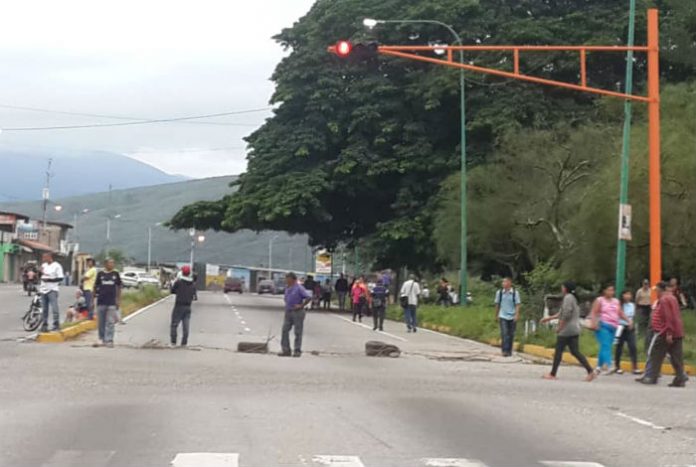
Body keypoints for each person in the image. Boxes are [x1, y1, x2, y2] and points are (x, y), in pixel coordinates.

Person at [541, 281, 595, 381]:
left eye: (562, 287)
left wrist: (560, 327)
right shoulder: (572, 298)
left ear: (566, 288)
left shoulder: (568, 298)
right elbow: (560, 313)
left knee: (558, 352)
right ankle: (590, 371)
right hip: (574, 329)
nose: (561, 288)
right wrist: (548, 319)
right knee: (575, 351)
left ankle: (553, 374)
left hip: (567, 330)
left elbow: (566, 314)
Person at [637, 282, 687, 387]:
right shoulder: (672, 298)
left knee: (655, 354)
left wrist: (669, 332)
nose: (656, 292)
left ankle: (651, 377)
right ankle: (680, 377)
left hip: (664, 332)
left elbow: (668, 316)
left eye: (657, 290)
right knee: (676, 356)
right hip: (677, 331)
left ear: (661, 289)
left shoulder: (664, 299)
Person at [590, 283, 632, 374]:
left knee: (605, 346)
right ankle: (609, 365)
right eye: (609, 290)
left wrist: (628, 320)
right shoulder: (600, 300)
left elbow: (620, 312)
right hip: (602, 326)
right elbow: (594, 312)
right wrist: (593, 323)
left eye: (612, 290)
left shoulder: (616, 301)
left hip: (613, 327)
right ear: (604, 291)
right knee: (606, 345)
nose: (611, 292)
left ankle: (598, 367)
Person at [279, 272, 312, 357]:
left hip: (297, 312)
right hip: (288, 311)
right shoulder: (287, 288)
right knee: (285, 330)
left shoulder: (299, 288)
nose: (286, 280)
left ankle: (297, 350)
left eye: (287, 278)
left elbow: (308, 297)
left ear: (292, 279)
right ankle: (286, 350)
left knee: (298, 332)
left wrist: (301, 305)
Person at [92, 258, 122, 348]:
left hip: (112, 302)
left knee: (110, 322)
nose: (112, 264)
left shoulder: (115, 274)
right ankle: (101, 338)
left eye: (113, 263)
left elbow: (119, 287)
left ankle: (109, 340)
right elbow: (95, 286)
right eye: (110, 263)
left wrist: (118, 299)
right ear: (105, 264)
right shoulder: (100, 274)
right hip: (101, 301)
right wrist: (93, 299)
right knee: (101, 322)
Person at [613, 290, 639, 375]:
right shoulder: (619, 305)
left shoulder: (632, 305)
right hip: (620, 327)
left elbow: (632, 316)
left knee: (633, 346)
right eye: (626, 294)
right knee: (619, 347)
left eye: (629, 294)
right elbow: (619, 315)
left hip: (629, 327)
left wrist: (632, 323)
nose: (628, 296)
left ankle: (635, 367)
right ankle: (617, 366)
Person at [170, 265, 196, 347]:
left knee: (174, 324)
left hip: (179, 305)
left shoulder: (179, 282)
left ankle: (173, 342)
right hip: (188, 306)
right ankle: (184, 343)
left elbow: (172, 291)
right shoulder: (193, 284)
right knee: (186, 325)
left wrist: (172, 283)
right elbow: (194, 297)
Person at [494, 278, 521, 357]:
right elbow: (497, 304)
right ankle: (505, 350)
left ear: (510, 283)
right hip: (503, 315)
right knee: (504, 333)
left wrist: (517, 315)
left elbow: (517, 305)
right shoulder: (499, 293)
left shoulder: (515, 293)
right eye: (503, 282)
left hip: (512, 316)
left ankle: (509, 350)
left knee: (511, 334)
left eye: (505, 282)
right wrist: (496, 315)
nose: (503, 283)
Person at [39, 252, 64, 332]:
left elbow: (60, 278)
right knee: (44, 309)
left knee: (54, 308)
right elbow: (41, 276)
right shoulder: (43, 265)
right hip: (43, 289)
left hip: (52, 289)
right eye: (43, 258)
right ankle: (44, 325)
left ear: (50, 257)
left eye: (45, 257)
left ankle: (56, 324)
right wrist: (39, 272)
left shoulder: (57, 266)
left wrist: (49, 280)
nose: (43, 259)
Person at [635, 278, 653, 353]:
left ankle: (646, 329)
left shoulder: (650, 291)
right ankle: (641, 330)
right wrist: (636, 308)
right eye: (644, 284)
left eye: (647, 284)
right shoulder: (639, 291)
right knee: (642, 320)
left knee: (649, 321)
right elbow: (637, 300)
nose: (646, 285)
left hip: (649, 306)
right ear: (642, 284)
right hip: (642, 307)